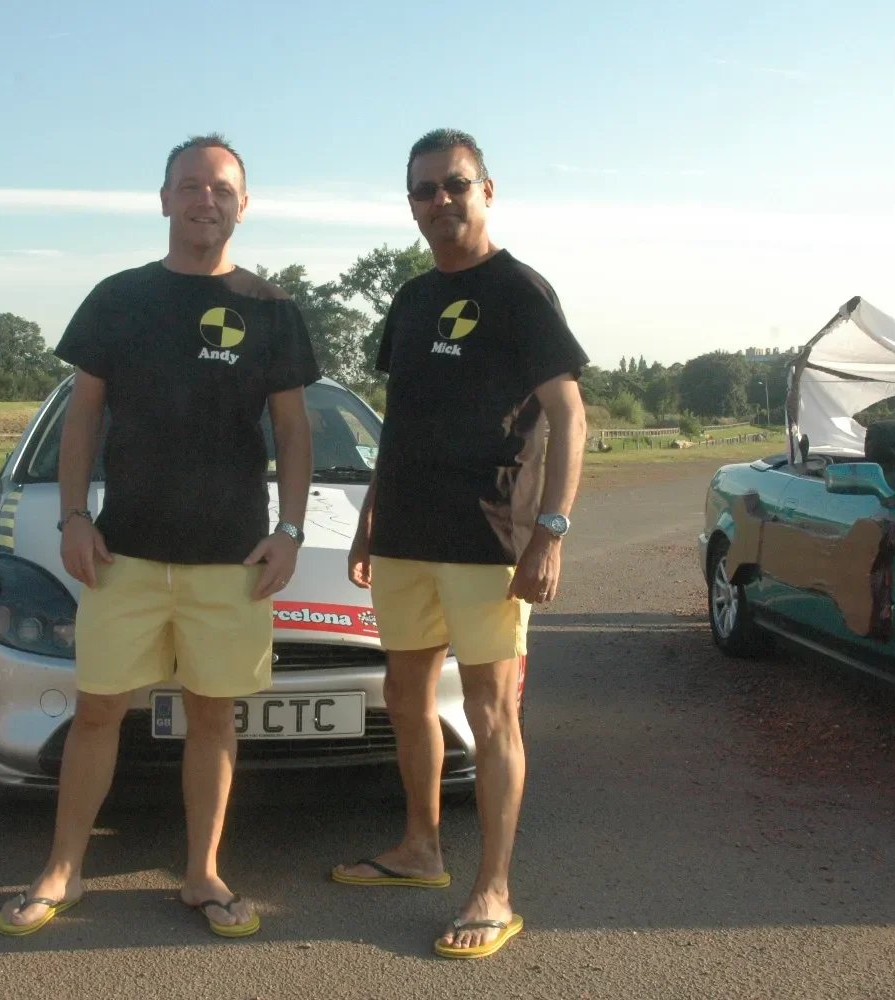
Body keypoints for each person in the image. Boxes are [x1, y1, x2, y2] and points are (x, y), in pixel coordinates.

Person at [0, 134, 318, 940]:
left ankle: (202, 875)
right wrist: (73, 517)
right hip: (123, 553)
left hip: (233, 559)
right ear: (164, 197)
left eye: (221, 188)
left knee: (214, 720)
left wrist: (289, 530)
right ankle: (62, 871)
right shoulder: (118, 298)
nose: (205, 200)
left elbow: (294, 432)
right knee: (98, 713)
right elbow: (83, 417)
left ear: (244, 204)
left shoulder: (272, 309)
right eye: (190, 185)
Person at [332, 128, 588, 960]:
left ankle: (495, 890)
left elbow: (569, 413)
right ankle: (420, 849)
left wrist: (549, 532)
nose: (439, 201)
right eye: (423, 191)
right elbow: (400, 424)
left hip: (489, 542)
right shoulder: (408, 301)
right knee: (404, 695)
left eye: (453, 185)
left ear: (487, 189)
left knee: (490, 709)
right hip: (406, 535)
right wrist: (371, 518)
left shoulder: (521, 291)